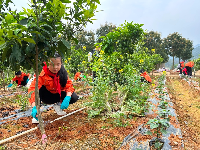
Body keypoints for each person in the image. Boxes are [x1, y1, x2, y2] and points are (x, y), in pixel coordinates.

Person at [28, 53, 79, 123]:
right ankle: (37, 114)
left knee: (73, 97)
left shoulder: (63, 73)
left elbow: (69, 85)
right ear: (47, 63)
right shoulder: (41, 74)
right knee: (38, 89)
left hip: (58, 95)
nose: (55, 67)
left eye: (58, 64)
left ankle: (58, 106)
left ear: (61, 64)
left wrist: (67, 97)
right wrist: (34, 106)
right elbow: (33, 90)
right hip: (47, 97)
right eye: (51, 64)